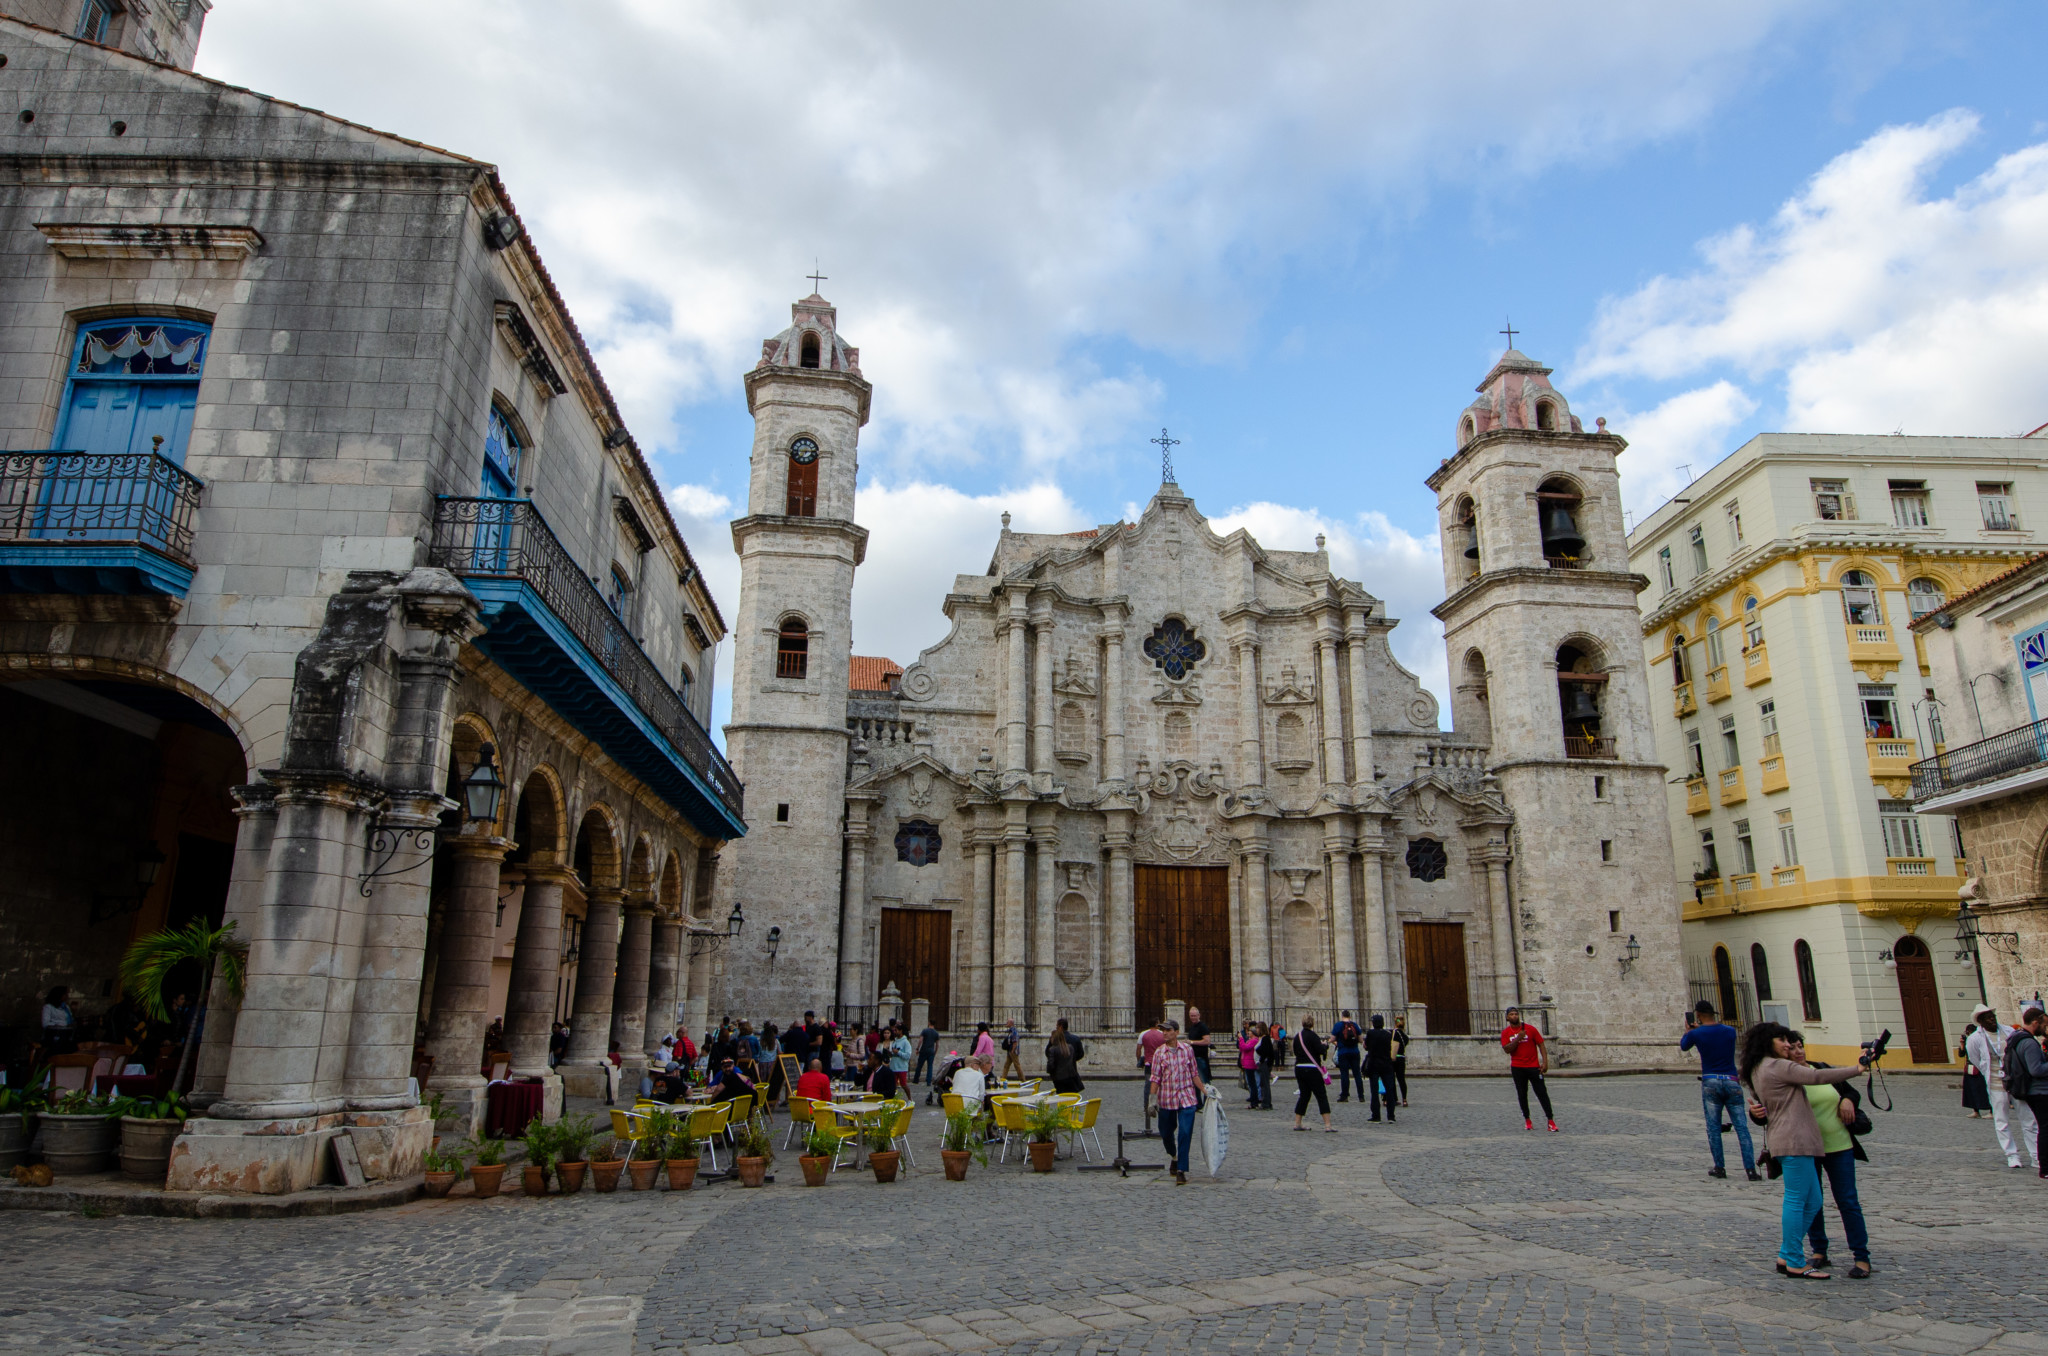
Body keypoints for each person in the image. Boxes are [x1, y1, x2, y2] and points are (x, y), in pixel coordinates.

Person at [1740, 1020, 1871, 1279]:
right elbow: (1815, 1077)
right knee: (1798, 1201)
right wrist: (1857, 1068)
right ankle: (1795, 1260)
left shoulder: (1760, 1067)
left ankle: (1788, 1253)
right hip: (1795, 1141)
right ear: (1768, 1042)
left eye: (1794, 1043)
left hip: (1804, 1142)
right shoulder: (1777, 1066)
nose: (1789, 1045)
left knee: (1813, 1201)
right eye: (1783, 1041)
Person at [1784, 1035, 1873, 1278]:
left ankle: (1861, 1256)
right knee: (1813, 1202)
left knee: (1847, 1201)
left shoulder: (1820, 1068)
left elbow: (1851, 1091)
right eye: (1792, 1049)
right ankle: (1819, 1250)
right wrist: (1756, 1113)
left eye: (1800, 1046)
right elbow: (1771, 1112)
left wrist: (1847, 1100)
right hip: (1806, 1148)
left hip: (1839, 1145)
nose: (1799, 1052)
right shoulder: (1785, 1078)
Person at [1681, 1000, 1757, 1180]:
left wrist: (1689, 1031)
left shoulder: (1696, 1033)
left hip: (1711, 1080)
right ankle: (1751, 1169)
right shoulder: (1730, 1031)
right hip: (1731, 1079)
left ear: (1698, 1015)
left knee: (1714, 1127)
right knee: (1742, 1127)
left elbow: (1684, 1046)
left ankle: (1719, 1167)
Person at [1966, 1005, 2037, 1170]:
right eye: (1987, 1017)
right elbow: (1975, 1059)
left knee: (2028, 1119)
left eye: (1992, 1016)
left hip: (2016, 1081)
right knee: (2001, 1120)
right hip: (1996, 1083)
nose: (1992, 1019)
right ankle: (2012, 1155)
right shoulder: (1975, 1039)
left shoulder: (2009, 1032)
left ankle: (2036, 1155)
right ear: (1981, 1021)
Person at [1150, 1021, 1202, 1183]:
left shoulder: (1187, 1050)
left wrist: (1206, 1090)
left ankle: (1181, 1170)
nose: (1165, 1033)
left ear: (1177, 1032)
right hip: (1166, 1100)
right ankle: (1174, 1156)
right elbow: (1155, 1078)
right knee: (1166, 1133)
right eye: (1163, 1030)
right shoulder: (1159, 1053)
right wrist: (1152, 1099)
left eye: (1168, 1030)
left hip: (1187, 1098)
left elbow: (1194, 1073)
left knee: (1185, 1133)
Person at [1500, 1007, 1556, 1132]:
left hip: (1533, 1067)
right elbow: (1507, 1049)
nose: (1514, 1016)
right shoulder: (1506, 1033)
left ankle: (1550, 1120)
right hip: (1517, 1068)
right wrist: (1518, 1038)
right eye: (1511, 1014)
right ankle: (1527, 1120)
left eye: (1516, 1014)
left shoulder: (1530, 1029)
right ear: (1507, 1018)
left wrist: (1545, 1062)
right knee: (1522, 1094)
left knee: (1542, 1093)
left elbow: (1541, 1044)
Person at [2009, 1007, 2048, 1178]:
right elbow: (2036, 1070)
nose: (2044, 1029)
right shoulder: (2029, 1042)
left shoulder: (2017, 1037)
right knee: (2046, 1129)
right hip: (2039, 1092)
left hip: (2034, 1091)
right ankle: (2045, 1167)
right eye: (2044, 1025)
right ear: (2035, 1022)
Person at [1290, 1016, 1335, 1133]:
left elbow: (1295, 1051)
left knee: (1304, 1096)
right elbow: (1320, 1050)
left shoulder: (1297, 1036)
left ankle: (1297, 1123)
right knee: (1321, 1095)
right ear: (1312, 1024)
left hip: (1299, 1068)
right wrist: (1324, 1045)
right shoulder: (1313, 1036)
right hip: (1312, 1069)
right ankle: (1328, 1125)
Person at [1363, 1015, 1397, 1123]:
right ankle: (1391, 1116)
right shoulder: (1388, 1034)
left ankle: (1376, 1116)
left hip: (1374, 1064)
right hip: (1386, 1064)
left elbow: (1366, 1046)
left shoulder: (1370, 1033)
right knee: (1389, 1090)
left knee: (1374, 1091)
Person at [1136, 1017, 1170, 1120]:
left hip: (1148, 1063)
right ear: (1156, 1024)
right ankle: (1161, 1105)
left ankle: (1147, 1105)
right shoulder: (1161, 1034)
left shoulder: (1143, 1034)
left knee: (1148, 1085)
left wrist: (1139, 1060)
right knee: (1162, 1084)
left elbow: (1138, 1049)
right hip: (1161, 1062)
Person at [1332, 1011, 1364, 1102]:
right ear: (1349, 1016)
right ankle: (1361, 1096)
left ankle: (1345, 1095)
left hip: (1343, 1052)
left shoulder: (1338, 1025)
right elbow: (1361, 1039)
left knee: (1344, 1074)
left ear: (1342, 1016)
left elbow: (1333, 1038)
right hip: (1354, 1051)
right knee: (1357, 1074)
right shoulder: (1355, 1025)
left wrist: (1334, 1041)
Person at [1046, 1023, 1085, 1094]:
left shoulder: (1053, 1049)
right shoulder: (1070, 1047)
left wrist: (1051, 1073)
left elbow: (1050, 1064)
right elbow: (1074, 1062)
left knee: (1061, 1096)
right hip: (1071, 1077)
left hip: (1059, 1078)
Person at [40, 986, 76, 1056]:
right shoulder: (48, 1007)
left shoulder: (65, 1007)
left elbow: (70, 1019)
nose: (67, 996)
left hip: (66, 1035)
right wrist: (60, 1024)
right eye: (65, 994)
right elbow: (45, 1023)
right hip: (54, 1036)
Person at [1237, 1021, 1263, 1109]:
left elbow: (1245, 1047)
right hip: (1247, 1063)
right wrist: (1240, 1040)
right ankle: (1253, 1100)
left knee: (1252, 1083)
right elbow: (1241, 1048)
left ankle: (1254, 1101)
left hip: (1250, 1063)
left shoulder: (1254, 1041)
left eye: (1249, 1033)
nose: (1248, 1034)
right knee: (1251, 1083)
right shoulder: (1250, 1040)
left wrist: (1241, 1039)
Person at [1185, 1007, 1213, 1085]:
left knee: (1204, 1081)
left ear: (1199, 1015)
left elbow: (1207, 1041)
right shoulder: (1192, 1027)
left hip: (1200, 1058)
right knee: (1195, 1081)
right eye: (1191, 1016)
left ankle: (1207, 1096)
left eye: (1194, 1016)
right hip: (1193, 1057)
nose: (1193, 1017)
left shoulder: (1202, 1027)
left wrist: (1192, 1042)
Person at [1390, 1015, 1410, 1107]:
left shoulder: (1393, 1033)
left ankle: (1394, 1099)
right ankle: (1404, 1100)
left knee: (1392, 1079)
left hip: (1393, 1058)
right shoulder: (1405, 1037)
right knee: (1401, 1079)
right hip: (1401, 1058)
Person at [915, 1018, 940, 1087]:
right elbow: (937, 1044)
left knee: (919, 1065)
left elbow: (920, 1040)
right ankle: (928, 1081)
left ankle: (916, 1079)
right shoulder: (936, 1033)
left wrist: (917, 1048)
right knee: (930, 1066)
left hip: (924, 1050)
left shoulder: (925, 1031)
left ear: (929, 1023)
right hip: (931, 1050)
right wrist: (935, 1052)